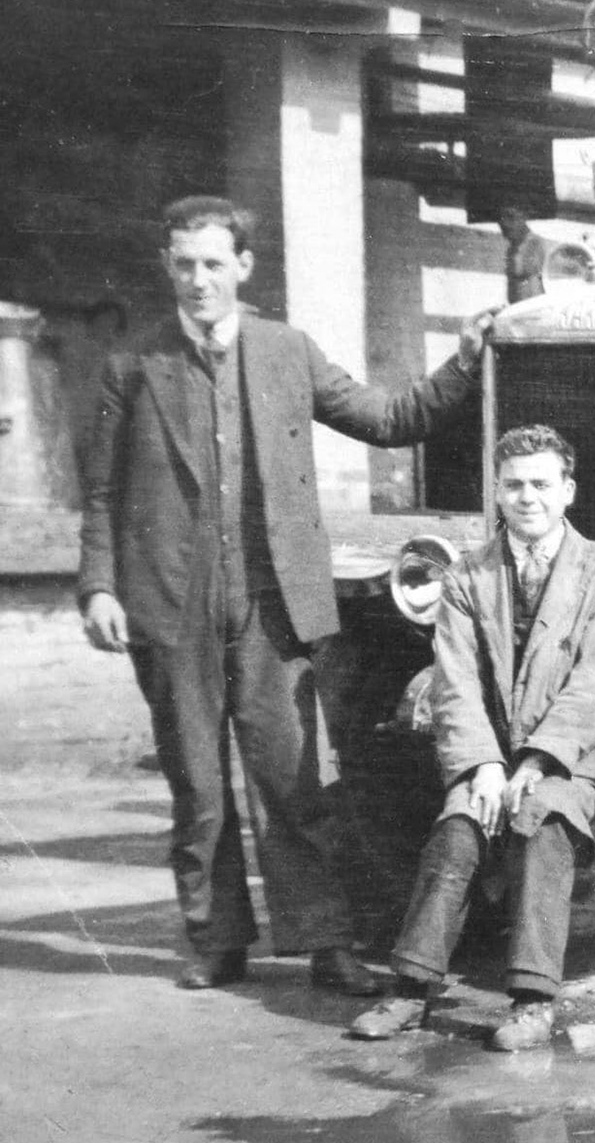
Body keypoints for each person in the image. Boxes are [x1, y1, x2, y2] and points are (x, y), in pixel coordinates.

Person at [78, 195, 491, 994]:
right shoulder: (133, 366)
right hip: (169, 603)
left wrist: (466, 359)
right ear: (168, 266)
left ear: (243, 266)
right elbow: (99, 492)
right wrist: (98, 585)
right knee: (198, 786)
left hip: (273, 604)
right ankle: (216, 940)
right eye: (184, 263)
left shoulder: (285, 351)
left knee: (297, 780)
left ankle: (325, 941)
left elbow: (390, 416)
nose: (199, 280)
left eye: (212, 263)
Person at [348, 424, 595, 1052]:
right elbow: (454, 684)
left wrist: (537, 759)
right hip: (494, 750)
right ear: (497, 493)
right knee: (458, 830)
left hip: (582, 748)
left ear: (568, 491)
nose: (526, 497)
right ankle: (411, 990)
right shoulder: (466, 578)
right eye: (513, 485)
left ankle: (532, 1000)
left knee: (541, 820)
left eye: (541, 484)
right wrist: (482, 765)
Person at [499, 206, 554, 304]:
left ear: (523, 217)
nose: (505, 224)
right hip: (515, 309)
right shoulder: (512, 248)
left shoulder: (536, 244)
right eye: (501, 219)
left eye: (511, 217)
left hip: (533, 309)